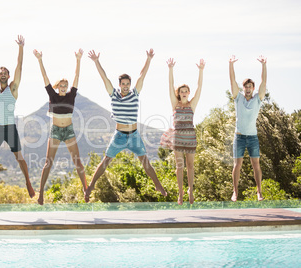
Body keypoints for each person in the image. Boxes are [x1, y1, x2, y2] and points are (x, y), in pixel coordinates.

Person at [85, 49, 167, 201]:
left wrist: (148, 59)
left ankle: (157, 184)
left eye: (128, 84)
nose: (126, 86)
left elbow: (142, 76)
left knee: (145, 161)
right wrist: (96, 61)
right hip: (119, 136)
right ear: (119, 84)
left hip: (134, 135)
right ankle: (91, 186)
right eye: (123, 84)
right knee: (106, 161)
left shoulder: (134, 94)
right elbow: (104, 78)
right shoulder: (113, 94)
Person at [0, 35, 35, 200]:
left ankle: (28, 183)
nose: (2, 74)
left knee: (19, 157)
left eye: (5, 73)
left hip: (10, 128)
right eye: (0, 73)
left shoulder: (13, 88)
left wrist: (21, 47)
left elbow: (20, 66)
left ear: (9, 76)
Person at [33, 48, 88, 205]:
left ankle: (86, 189)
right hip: (56, 131)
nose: (64, 87)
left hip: (69, 131)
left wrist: (78, 59)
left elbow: (77, 76)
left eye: (66, 85)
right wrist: (39, 60)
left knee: (77, 161)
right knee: (48, 162)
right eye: (61, 85)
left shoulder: (72, 95)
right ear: (58, 87)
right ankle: (41, 193)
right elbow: (45, 77)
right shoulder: (53, 95)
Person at [160, 58, 205, 205]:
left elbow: (200, 87)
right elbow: (170, 85)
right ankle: (181, 193)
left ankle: (190, 190)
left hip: (190, 137)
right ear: (178, 93)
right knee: (180, 166)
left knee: (190, 166)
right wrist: (170, 69)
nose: (184, 93)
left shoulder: (192, 104)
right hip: (177, 137)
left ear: (188, 93)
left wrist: (201, 70)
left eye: (186, 91)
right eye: (182, 91)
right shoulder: (175, 104)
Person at [229, 55, 267, 202]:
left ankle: (259, 192)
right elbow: (232, 81)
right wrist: (231, 64)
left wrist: (264, 65)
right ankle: (235, 192)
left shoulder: (258, 99)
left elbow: (264, 82)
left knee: (256, 164)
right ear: (243, 88)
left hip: (252, 137)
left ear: (253, 88)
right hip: (239, 137)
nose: (249, 88)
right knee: (237, 165)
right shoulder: (238, 98)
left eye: (251, 86)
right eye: (246, 86)